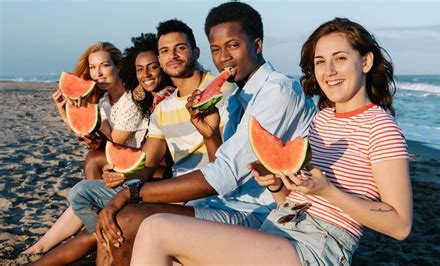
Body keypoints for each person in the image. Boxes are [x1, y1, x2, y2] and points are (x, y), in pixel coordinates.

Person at [130, 17, 413, 265]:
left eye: (340, 58)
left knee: (156, 228)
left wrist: (328, 192)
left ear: (365, 61)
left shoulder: (381, 128)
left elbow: (400, 224)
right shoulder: (323, 119)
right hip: (278, 227)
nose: (329, 71)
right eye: (320, 62)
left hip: (317, 247)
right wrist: (277, 185)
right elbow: (294, 199)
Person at [69, 4, 316, 264]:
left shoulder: (278, 91)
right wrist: (210, 136)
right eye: (216, 49)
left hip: (259, 213)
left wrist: (132, 192)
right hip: (224, 204)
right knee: (121, 218)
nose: (223, 58)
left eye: (233, 46)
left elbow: (226, 175)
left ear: (257, 45)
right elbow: (223, 164)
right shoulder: (237, 97)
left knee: (127, 219)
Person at [65, 19, 236, 264]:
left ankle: (114, 248)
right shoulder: (163, 107)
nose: (172, 55)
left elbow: (223, 169)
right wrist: (123, 174)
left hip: (204, 191)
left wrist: (130, 192)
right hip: (171, 187)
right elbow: (147, 162)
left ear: (196, 52)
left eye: (180, 48)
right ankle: (107, 244)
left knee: (123, 218)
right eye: (165, 50)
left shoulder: (224, 93)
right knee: (81, 193)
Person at [24, 37, 175, 264]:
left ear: (118, 67)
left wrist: (83, 114)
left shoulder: (132, 99)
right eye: (93, 68)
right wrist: (67, 111)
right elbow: (86, 131)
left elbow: (113, 140)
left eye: (104, 65)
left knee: (93, 162)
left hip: (145, 169)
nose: (98, 73)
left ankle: (92, 234)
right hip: (124, 168)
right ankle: (56, 240)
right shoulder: (104, 100)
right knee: (91, 166)